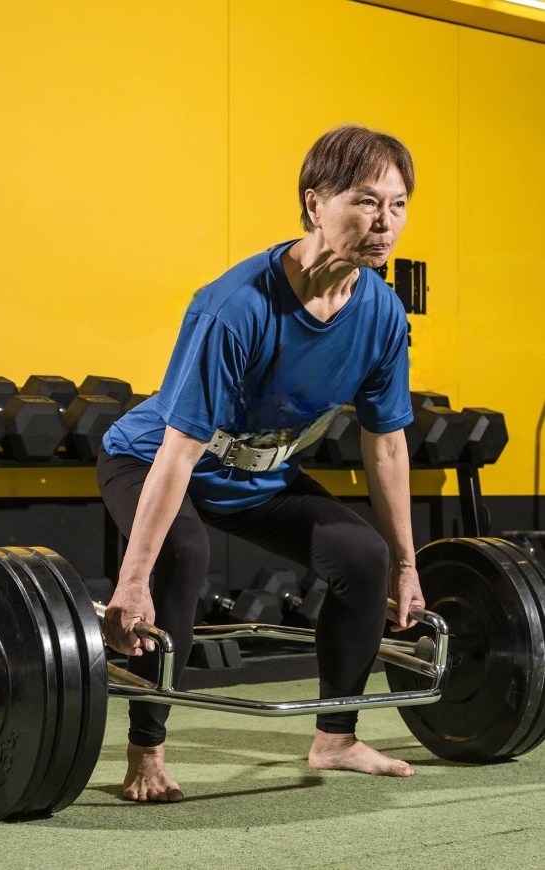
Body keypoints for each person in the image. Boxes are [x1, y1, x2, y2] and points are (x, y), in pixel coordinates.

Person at [97, 124, 425, 803]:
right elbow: (180, 449)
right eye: (366, 202)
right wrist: (132, 582)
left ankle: (336, 736)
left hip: (259, 478)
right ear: (314, 204)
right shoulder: (235, 308)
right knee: (182, 556)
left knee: (362, 558)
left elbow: (387, 445)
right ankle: (145, 752)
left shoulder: (383, 315)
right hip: (151, 459)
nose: (385, 223)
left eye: (397, 205)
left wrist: (406, 564)